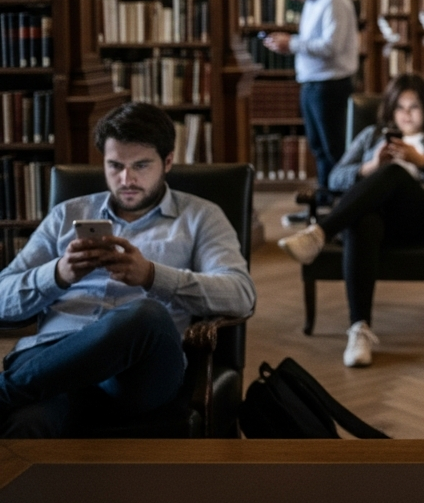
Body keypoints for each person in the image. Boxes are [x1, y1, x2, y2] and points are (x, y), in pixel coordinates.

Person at [0, 102, 255, 437]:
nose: (126, 179)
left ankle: (6, 389)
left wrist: (152, 276)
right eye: (115, 166)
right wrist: (58, 274)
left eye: (141, 165)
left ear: (167, 162)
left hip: (137, 377)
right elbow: (3, 299)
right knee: (28, 426)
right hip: (56, 365)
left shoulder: (201, 217)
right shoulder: (66, 214)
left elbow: (241, 296)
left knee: (145, 314)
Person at [278, 73, 424, 367]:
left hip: (417, 220)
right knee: (362, 220)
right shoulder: (371, 136)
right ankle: (359, 330)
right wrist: (370, 166)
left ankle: (319, 234)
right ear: (390, 110)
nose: (406, 114)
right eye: (400, 107)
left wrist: (422, 161)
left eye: (414, 107)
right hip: (373, 220)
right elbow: (334, 177)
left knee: (394, 174)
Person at [262, 0, 359, 208]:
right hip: (313, 83)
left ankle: (342, 205)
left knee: (333, 148)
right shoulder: (313, 2)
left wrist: (291, 44)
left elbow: (331, 46)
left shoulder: (333, 1)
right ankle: (326, 203)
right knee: (318, 148)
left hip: (331, 84)